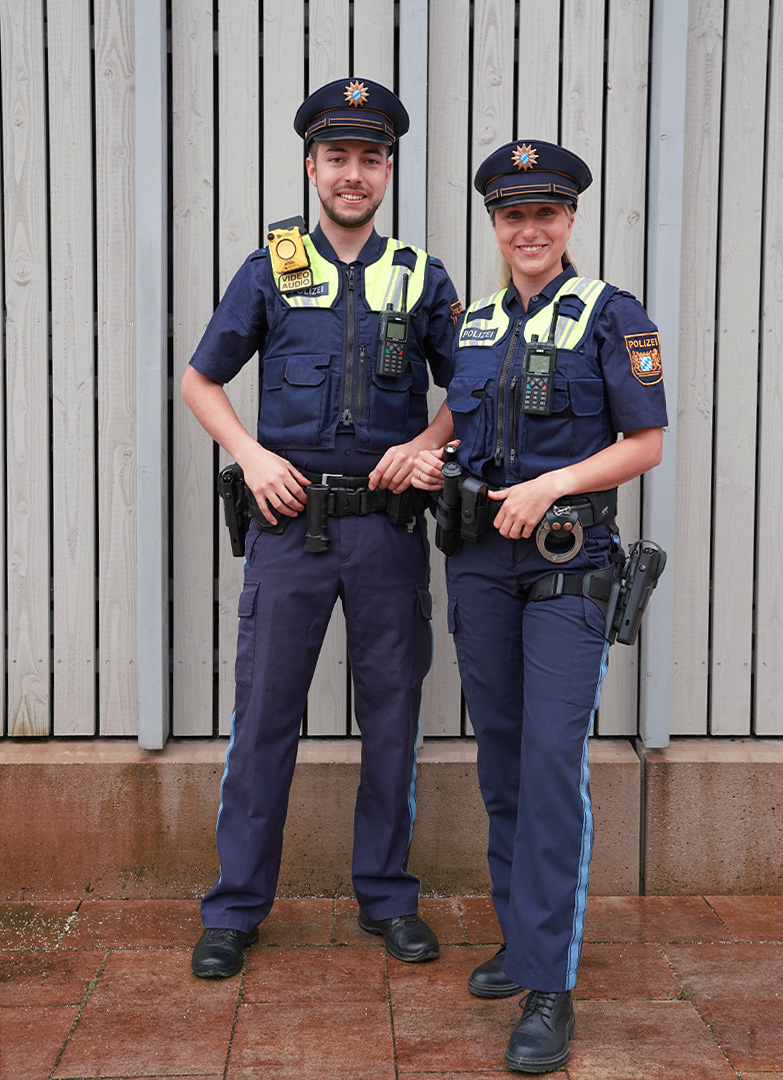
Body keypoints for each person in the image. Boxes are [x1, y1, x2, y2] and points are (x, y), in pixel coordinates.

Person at [182, 78, 462, 979]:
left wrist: (428, 442)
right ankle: (234, 910)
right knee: (263, 718)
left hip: (386, 532)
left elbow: (473, 390)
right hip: (288, 527)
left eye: (369, 158)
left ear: (387, 170)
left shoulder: (421, 276)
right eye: (336, 157)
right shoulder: (269, 269)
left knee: (393, 717)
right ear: (311, 167)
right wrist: (253, 457)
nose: (353, 173)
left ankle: (387, 898)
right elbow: (201, 382)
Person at [412, 140, 667, 1072]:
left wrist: (552, 484)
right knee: (505, 763)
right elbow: (462, 421)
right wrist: (424, 451)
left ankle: (551, 987)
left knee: (555, 763)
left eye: (545, 214)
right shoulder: (472, 324)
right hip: (479, 563)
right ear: (494, 225)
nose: (529, 230)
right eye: (512, 215)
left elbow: (646, 441)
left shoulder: (611, 312)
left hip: (567, 563)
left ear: (568, 223)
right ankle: (524, 943)